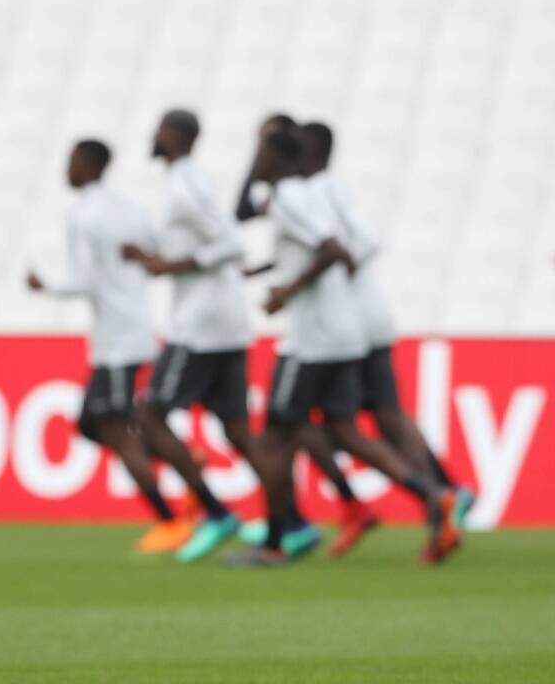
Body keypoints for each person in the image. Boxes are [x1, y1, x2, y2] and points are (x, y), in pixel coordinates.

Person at [224, 129, 458, 567]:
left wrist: (286, 292)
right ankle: (433, 496)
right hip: (342, 332)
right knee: (344, 430)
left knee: (275, 437)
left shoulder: (290, 197)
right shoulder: (305, 195)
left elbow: (332, 250)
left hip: (314, 339)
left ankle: (274, 544)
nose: (254, 159)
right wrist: (270, 273)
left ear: (275, 157)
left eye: (259, 151)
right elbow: (328, 246)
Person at [28, 138, 217, 554]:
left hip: (116, 339)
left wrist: (47, 287)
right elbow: (156, 254)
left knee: (113, 427)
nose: (68, 169)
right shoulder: (131, 210)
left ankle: (170, 521)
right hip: (132, 329)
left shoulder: (83, 214)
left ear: (88, 164)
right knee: (90, 424)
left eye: (72, 161)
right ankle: (183, 458)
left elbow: (84, 279)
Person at [301, 121, 475, 553]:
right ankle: (443, 494)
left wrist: (342, 264)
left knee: (313, 423)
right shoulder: (321, 190)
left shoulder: (317, 191)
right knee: (385, 416)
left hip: (349, 324)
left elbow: (366, 240)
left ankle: (422, 498)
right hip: (364, 319)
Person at [123, 110, 254, 562]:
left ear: (175, 136)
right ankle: (288, 521)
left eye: (159, 128)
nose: (153, 135)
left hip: (201, 325)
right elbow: (210, 245)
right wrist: (154, 258)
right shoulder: (189, 180)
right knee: (236, 427)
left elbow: (231, 245)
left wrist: (168, 266)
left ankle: (217, 513)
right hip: (223, 319)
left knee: (151, 417)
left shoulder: (184, 186)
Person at [234, 113, 296, 221]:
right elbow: (241, 214)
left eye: (263, 145)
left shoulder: (292, 195)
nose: (258, 154)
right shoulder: (263, 191)